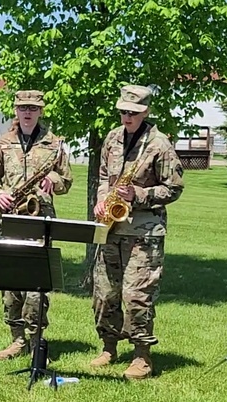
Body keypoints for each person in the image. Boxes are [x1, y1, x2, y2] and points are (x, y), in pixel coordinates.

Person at [90, 85, 184, 380]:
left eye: (132, 112)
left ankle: (142, 355)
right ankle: (108, 346)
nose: (126, 116)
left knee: (136, 295)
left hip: (144, 233)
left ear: (146, 112)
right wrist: (101, 200)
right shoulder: (112, 138)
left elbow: (174, 188)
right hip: (110, 227)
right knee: (104, 292)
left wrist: (139, 194)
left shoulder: (160, 144)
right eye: (122, 111)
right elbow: (104, 175)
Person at [0, 90, 72, 360]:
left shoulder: (54, 144)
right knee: (10, 285)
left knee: (35, 287)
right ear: (16, 110)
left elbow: (66, 181)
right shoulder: (3, 143)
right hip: (9, 220)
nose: (28, 112)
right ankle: (17, 339)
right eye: (23, 108)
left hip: (38, 221)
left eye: (33, 108)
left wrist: (53, 180)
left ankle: (36, 342)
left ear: (41, 111)